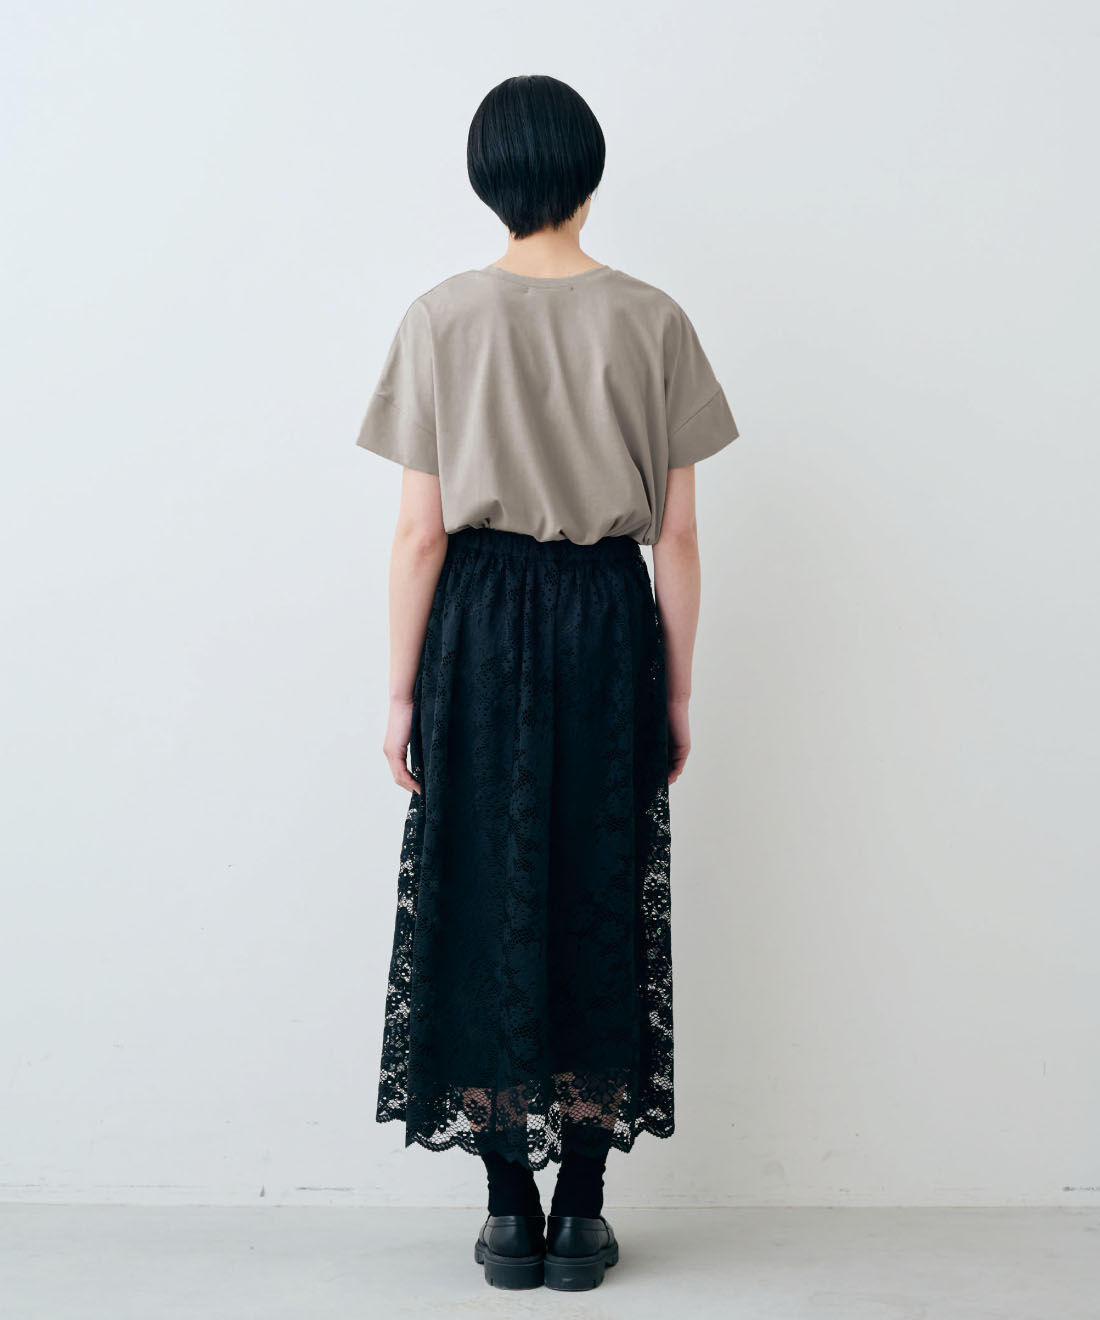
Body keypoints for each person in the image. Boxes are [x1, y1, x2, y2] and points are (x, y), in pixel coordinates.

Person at [355, 74, 739, 1292]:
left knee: (483, 896)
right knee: (596, 895)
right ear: (587, 172)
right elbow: (676, 537)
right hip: (605, 623)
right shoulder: (653, 319)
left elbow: (419, 535)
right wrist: (675, 691)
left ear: (487, 180)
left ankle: (507, 1214)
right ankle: (581, 1213)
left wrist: (400, 692)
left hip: (476, 622)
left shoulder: (439, 317)